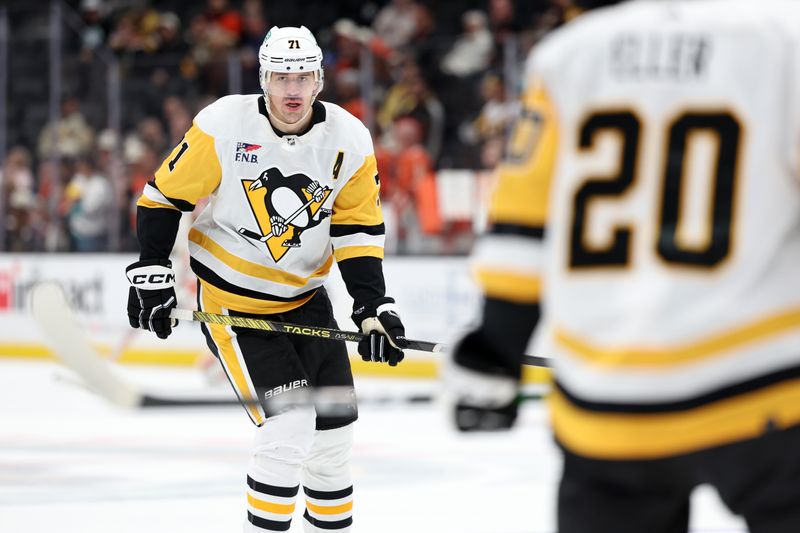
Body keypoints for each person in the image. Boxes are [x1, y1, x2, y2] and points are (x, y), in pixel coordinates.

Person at [447, 1, 800, 532]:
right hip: (761, 383)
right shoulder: (783, 39)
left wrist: (496, 349)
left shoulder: (568, 54)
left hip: (609, 396)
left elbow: (522, 225)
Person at [125, 26, 407, 533]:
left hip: (306, 299)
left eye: (302, 76)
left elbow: (359, 230)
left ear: (320, 78)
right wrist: (151, 269)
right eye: (281, 76)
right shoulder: (223, 125)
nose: (292, 89)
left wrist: (373, 308)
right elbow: (164, 197)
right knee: (291, 424)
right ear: (263, 79)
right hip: (235, 306)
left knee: (335, 433)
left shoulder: (350, 139)